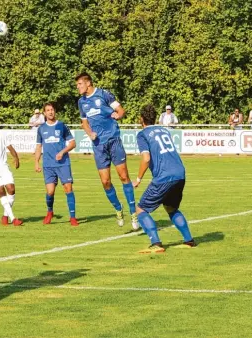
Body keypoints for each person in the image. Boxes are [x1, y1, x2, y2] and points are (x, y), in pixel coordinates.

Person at [75, 72, 139, 230]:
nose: (78, 87)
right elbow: (84, 122)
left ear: (88, 83)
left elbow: (121, 110)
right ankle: (118, 209)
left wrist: (119, 115)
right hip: (98, 145)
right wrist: (90, 134)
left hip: (113, 140)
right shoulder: (81, 102)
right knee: (105, 182)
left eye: (79, 84)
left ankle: (133, 213)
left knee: (124, 177)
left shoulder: (104, 94)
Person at [133, 104, 195, 253]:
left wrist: (138, 179)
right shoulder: (164, 130)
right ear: (155, 118)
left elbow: (146, 159)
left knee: (141, 209)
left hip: (164, 176)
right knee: (171, 208)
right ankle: (189, 240)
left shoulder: (142, 134)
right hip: (180, 173)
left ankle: (156, 243)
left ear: (141, 119)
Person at [35, 102, 78, 226]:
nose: (50, 112)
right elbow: (38, 147)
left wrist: (62, 152)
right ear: (44, 113)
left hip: (63, 163)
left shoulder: (62, 126)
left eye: (52, 109)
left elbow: (73, 143)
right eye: (48, 110)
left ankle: (73, 217)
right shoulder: (41, 129)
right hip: (48, 165)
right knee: (50, 192)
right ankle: (50, 212)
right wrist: (36, 162)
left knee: (68, 188)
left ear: (55, 111)